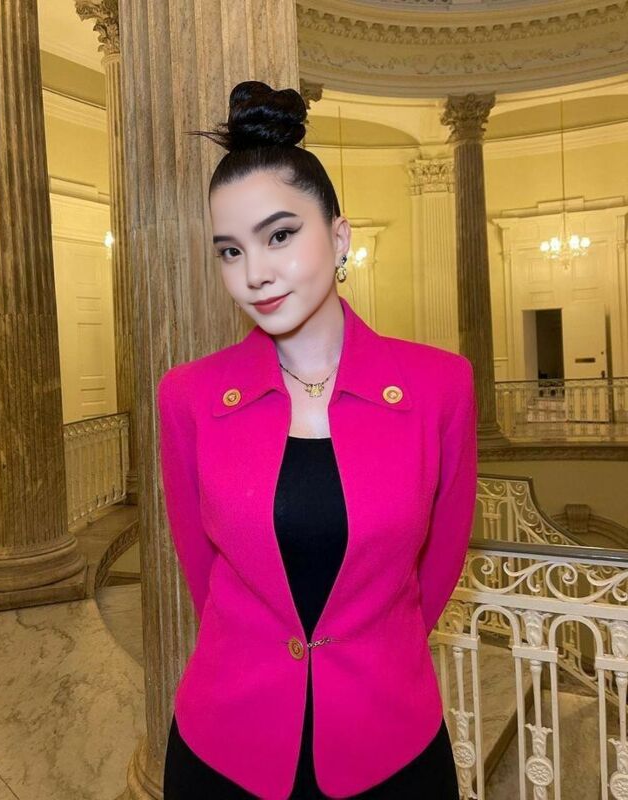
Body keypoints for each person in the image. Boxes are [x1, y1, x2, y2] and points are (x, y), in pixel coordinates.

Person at [158, 80, 477, 799]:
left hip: (389, 740)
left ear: (338, 238)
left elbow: (436, 573)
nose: (255, 274)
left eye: (279, 235)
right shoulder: (188, 397)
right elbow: (202, 574)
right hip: (226, 745)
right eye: (230, 251)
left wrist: (373, 653)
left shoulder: (440, 387)